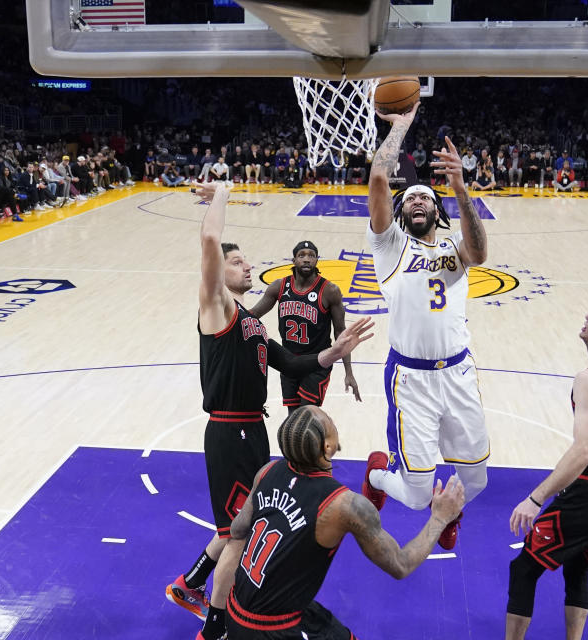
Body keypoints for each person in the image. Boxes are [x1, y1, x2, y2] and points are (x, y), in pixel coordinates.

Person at [164, 181, 374, 640]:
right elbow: (209, 243)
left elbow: (296, 362)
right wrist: (221, 193)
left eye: (247, 261)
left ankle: (190, 585)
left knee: (239, 528)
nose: (248, 266)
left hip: (252, 430)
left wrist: (335, 352)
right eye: (237, 261)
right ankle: (213, 623)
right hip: (229, 431)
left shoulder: (252, 323)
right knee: (238, 533)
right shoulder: (217, 310)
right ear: (218, 272)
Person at [362, 102, 490, 551]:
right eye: (411, 198)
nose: (417, 200)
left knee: (476, 479)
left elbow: (480, 254)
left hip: (458, 372)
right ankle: (378, 473)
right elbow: (380, 180)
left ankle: (450, 510)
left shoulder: (456, 248)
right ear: (401, 213)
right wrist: (400, 127)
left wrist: (459, 188)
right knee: (416, 498)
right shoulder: (389, 246)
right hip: (411, 379)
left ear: (439, 214)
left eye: (426, 199)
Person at [223, 406, 466, 639]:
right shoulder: (344, 505)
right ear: (327, 446)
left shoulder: (266, 471)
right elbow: (400, 565)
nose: (333, 419)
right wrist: (440, 517)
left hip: (236, 608)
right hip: (276, 627)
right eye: (329, 419)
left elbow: (237, 529)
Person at [505, 302, 588, 640]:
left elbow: (584, 451)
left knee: (523, 568)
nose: (586, 317)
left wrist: (535, 499)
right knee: (578, 567)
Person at [248, 240, 361, 414]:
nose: (306, 259)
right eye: (301, 255)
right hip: (288, 361)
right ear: (293, 261)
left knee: (306, 416)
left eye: (311, 256)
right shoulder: (279, 286)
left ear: (317, 261)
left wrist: (349, 372)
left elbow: (341, 333)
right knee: (293, 418)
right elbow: (254, 314)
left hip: (317, 362)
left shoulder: (330, 290)